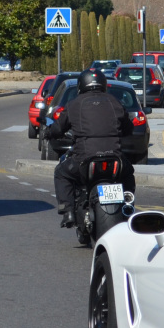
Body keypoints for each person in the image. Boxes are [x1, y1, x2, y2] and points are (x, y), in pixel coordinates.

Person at [52, 69, 136, 226]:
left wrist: (49, 133)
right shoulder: (114, 102)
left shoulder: (74, 104)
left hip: (84, 159)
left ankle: (68, 211)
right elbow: (128, 128)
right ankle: (127, 204)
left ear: (81, 85)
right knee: (128, 173)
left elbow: (58, 129)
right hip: (115, 159)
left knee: (61, 173)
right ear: (103, 84)